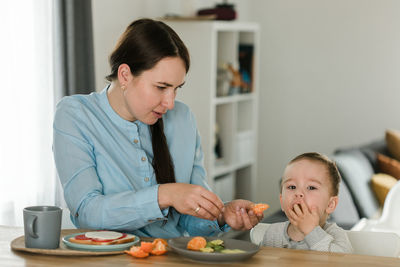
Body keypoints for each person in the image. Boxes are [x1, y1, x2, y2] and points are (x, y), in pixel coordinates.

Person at [53, 18, 262, 238]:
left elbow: (188, 217)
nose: (170, 103)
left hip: (173, 258)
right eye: (161, 87)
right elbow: (87, 211)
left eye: (176, 89)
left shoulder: (183, 119)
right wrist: (165, 195)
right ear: (125, 75)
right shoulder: (75, 115)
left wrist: (220, 215)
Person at [260, 152, 353, 253]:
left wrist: (312, 231)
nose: (298, 193)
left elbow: (341, 262)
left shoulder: (335, 235)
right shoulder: (273, 233)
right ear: (282, 202)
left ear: (330, 204)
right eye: (292, 187)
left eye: (311, 187)